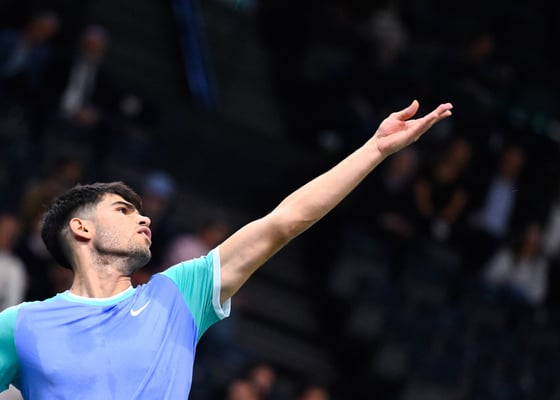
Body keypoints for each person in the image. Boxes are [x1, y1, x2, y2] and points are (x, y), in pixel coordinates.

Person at [0, 99, 452, 398]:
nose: (144, 218)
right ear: (81, 229)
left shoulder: (177, 294)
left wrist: (374, 150)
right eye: (123, 209)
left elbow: (283, 221)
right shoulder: (20, 326)